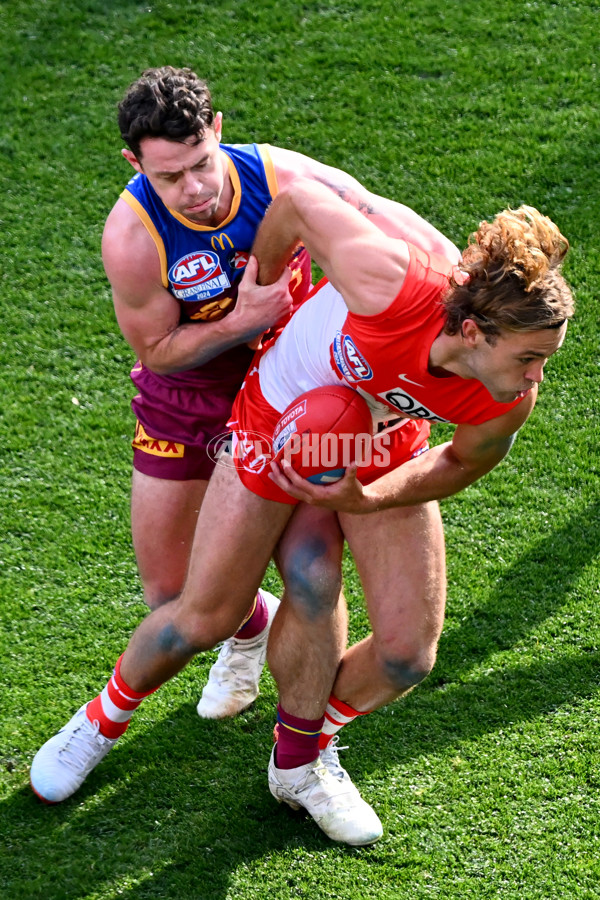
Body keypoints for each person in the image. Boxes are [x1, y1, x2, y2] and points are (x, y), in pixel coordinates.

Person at [30, 179, 573, 848]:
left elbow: (459, 463)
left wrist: (365, 499)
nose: (536, 379)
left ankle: (300, 758)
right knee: (205, 617)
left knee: (407, 654)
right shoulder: (391, 283)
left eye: (545, 359)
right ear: (471, 331)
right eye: (529, 357)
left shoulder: (507, 397)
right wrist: (262, 295)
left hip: (377, 446)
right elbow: (294, 204)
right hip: (273, 422)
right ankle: (100, 720)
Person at [99, 64, 459, 721]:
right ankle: (249, 627)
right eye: (169, 177)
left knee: (313, 576)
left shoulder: (280, 177)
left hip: (295, 397)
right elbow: (155, 350)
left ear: (216, 130)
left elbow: (380, 213)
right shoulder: (131, 238)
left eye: (201, 163)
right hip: (191, 399)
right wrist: (242, 320)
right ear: (134, 162)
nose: (195, 189)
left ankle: (302, 745)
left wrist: (463, 284)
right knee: (171, 594)